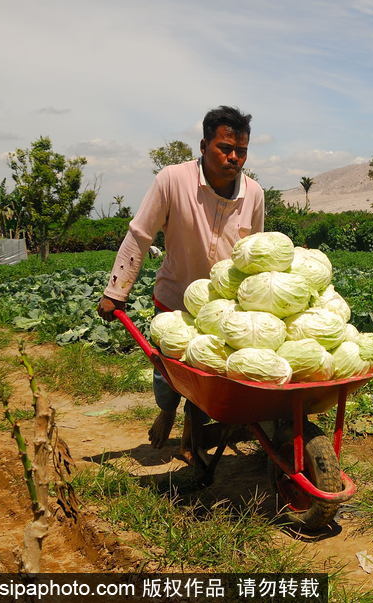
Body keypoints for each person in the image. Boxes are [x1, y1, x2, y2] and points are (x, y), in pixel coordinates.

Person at [97, 106, 264, 459]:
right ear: (204, 145)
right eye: (224, 148)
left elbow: (255, 253)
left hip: (222, 308)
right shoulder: (172, 180)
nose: (234, 157)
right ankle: (167, 410)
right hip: (174, 295)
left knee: (209, 370)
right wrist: (116, 290)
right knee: (166, 369)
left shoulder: (255, 194)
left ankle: (193, 423)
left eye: (242, 151)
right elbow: (140, 235)